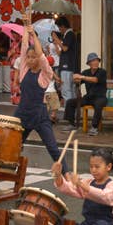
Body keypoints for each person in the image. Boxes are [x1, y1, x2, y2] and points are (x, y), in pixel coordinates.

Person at [14, 20, 68, 172]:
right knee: (13, 145)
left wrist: (34, 36)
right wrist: (26, 28)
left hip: (39, 115)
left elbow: (42, 58)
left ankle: (67, 174)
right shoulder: (24, 70)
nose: (30, 60)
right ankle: (9, 171)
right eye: (29, 57)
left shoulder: (45, 74)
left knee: (52, 148)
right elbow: (24, 48)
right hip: (22, 114)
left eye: (34, 57)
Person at [52, 148, 113, 225]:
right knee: (59, 221)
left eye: (97, 167)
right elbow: (70, 189)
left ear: (108, 167)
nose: (93, 170)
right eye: (91, 166)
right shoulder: (88, 182)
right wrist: (58, 175)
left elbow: (104, 197)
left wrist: (81, 184)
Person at [62, 52, 107, 136]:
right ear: (89, 63)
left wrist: (81, 77)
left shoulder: (102, 72)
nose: (95, 62)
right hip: (89, 97)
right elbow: (78, 81)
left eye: (96, 60)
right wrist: (75, 78)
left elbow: (95, 80)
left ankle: (94, 127)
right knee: (70, 102)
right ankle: (71, 124)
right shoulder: (86, 72)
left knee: (98, 105)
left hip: (100, 97)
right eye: (93, 61)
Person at [54, 17, 77, 104]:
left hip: (67, 66)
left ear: (63, 26)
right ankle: (72, 112)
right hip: (67, 66)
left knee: (67, 90)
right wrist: (56, 44)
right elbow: (61, 53)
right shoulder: (67, 35)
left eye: (59, 28)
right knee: (70, 90)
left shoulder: (69, 34)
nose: (60, 30)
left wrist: (57, 40)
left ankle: (69, 112)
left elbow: (65, 48)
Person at [8, 30, 22, 105]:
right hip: (13, 66)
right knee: (13, 82)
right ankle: (13, 98)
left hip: (20, 65)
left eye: (15, 34)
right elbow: (8, 56)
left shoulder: (22, 42)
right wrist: (11, 53)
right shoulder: (12, 43)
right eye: (12, 35)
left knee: (19, 81)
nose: (13, 36)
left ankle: (19, 99)